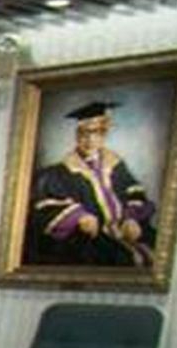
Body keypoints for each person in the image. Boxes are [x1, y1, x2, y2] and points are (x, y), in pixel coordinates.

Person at [26, 100, 158, 267]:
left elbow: (135, 192)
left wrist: (132, 218)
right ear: (77, 137)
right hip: (90, 238)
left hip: (124, 230)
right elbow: (45, 204)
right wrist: (78, 217)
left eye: (95, 134)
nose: (89, 140)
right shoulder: (60, 172)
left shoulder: (116, 165)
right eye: (83, 134)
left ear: (103, 136)